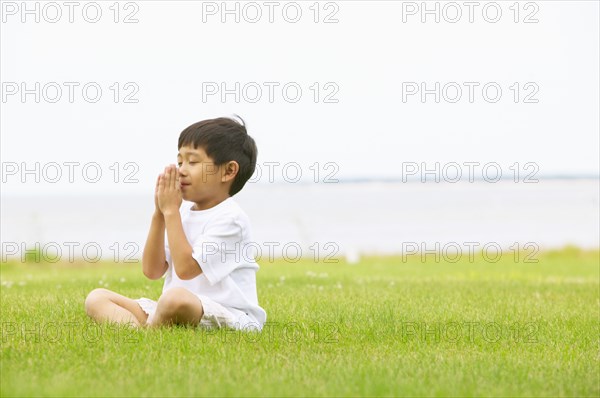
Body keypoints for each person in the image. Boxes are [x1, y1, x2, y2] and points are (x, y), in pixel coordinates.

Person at [84, 116, 266, 331]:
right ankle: (141, 332)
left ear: (228, 171)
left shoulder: (231, 219)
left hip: (228, 313)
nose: (181, 170)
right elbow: (152, 271)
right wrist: (159, 214)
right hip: (176, 308)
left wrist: (171, 212)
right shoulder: (182, 213)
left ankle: (150, 332)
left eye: (193, 162)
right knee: (97, 298)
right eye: (180, 162)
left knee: (173, 299)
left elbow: (186, 269)